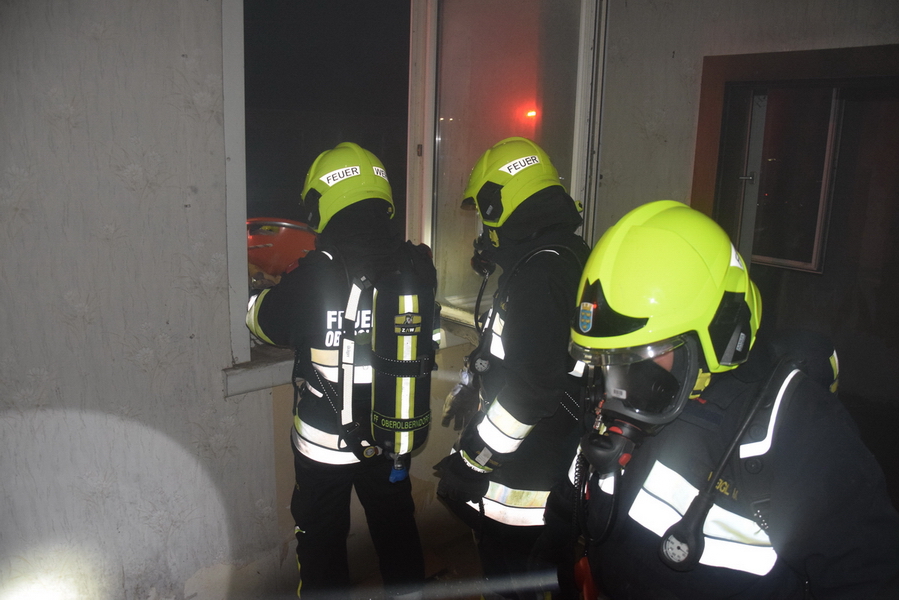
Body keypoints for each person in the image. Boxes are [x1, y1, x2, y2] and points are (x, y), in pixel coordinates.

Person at [568, 199, 899, 599]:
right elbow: (580, 489)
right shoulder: (621, 395)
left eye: (640, 356)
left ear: (719, 332)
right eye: (608, 359)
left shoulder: (800, 430)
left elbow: (868, 579)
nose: (616, 380)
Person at [246, 142, 440, 599]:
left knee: (321, 543)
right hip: (391, 431)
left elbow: (265, 322)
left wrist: (258, 294)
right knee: (397, 531)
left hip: (325, 444)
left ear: (322, 204)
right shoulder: (416, 264)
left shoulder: (315, 274)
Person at [435, 137, 591, 599]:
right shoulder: (560, 257)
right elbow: (513, 352)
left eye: (484, 217)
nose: (482, 230)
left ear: (498, 207)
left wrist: (474, 458)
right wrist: (471, 385)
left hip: (527, 485)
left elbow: (533, 388)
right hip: (553, 462)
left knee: (514, 584)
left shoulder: (539, 276)